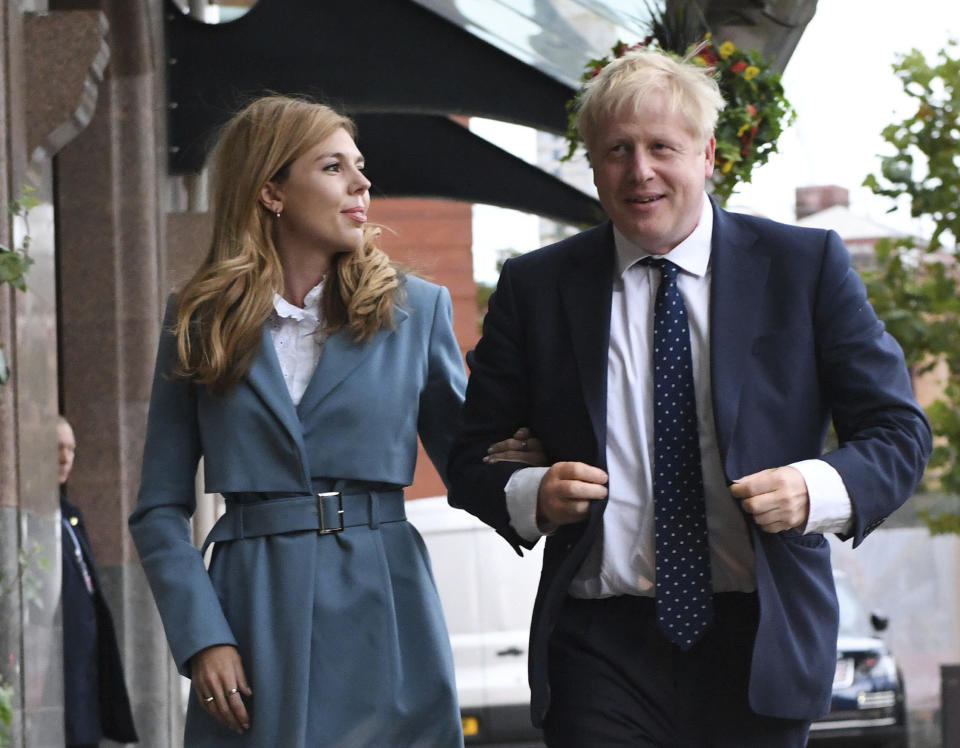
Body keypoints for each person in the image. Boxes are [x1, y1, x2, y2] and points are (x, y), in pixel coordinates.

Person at [448, 48, 932, 747]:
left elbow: (898, 433)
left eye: (660, 147)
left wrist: (812, 488)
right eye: (616, 150)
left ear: (706, 155)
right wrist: (533, 492)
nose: (639, 171)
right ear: (592, 165)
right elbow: (471, 460)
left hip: (758, 639)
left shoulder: (805, 268)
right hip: (598, 645)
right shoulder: (536, 287)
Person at [128, 95, 540, 747]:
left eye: (360, 166)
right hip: (250, 605)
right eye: (332, 167)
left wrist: (542, 469)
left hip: (386, 598)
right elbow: (158, 508)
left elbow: (474, 460)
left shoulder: (417, 310)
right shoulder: (198, 317)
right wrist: (202, 637)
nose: (362, 183)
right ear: (271, 192)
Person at [58, 415, 138, 748]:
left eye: (71, 450)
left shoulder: (71, 516)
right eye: (56, 448)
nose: (65, 458)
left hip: (85, 673)